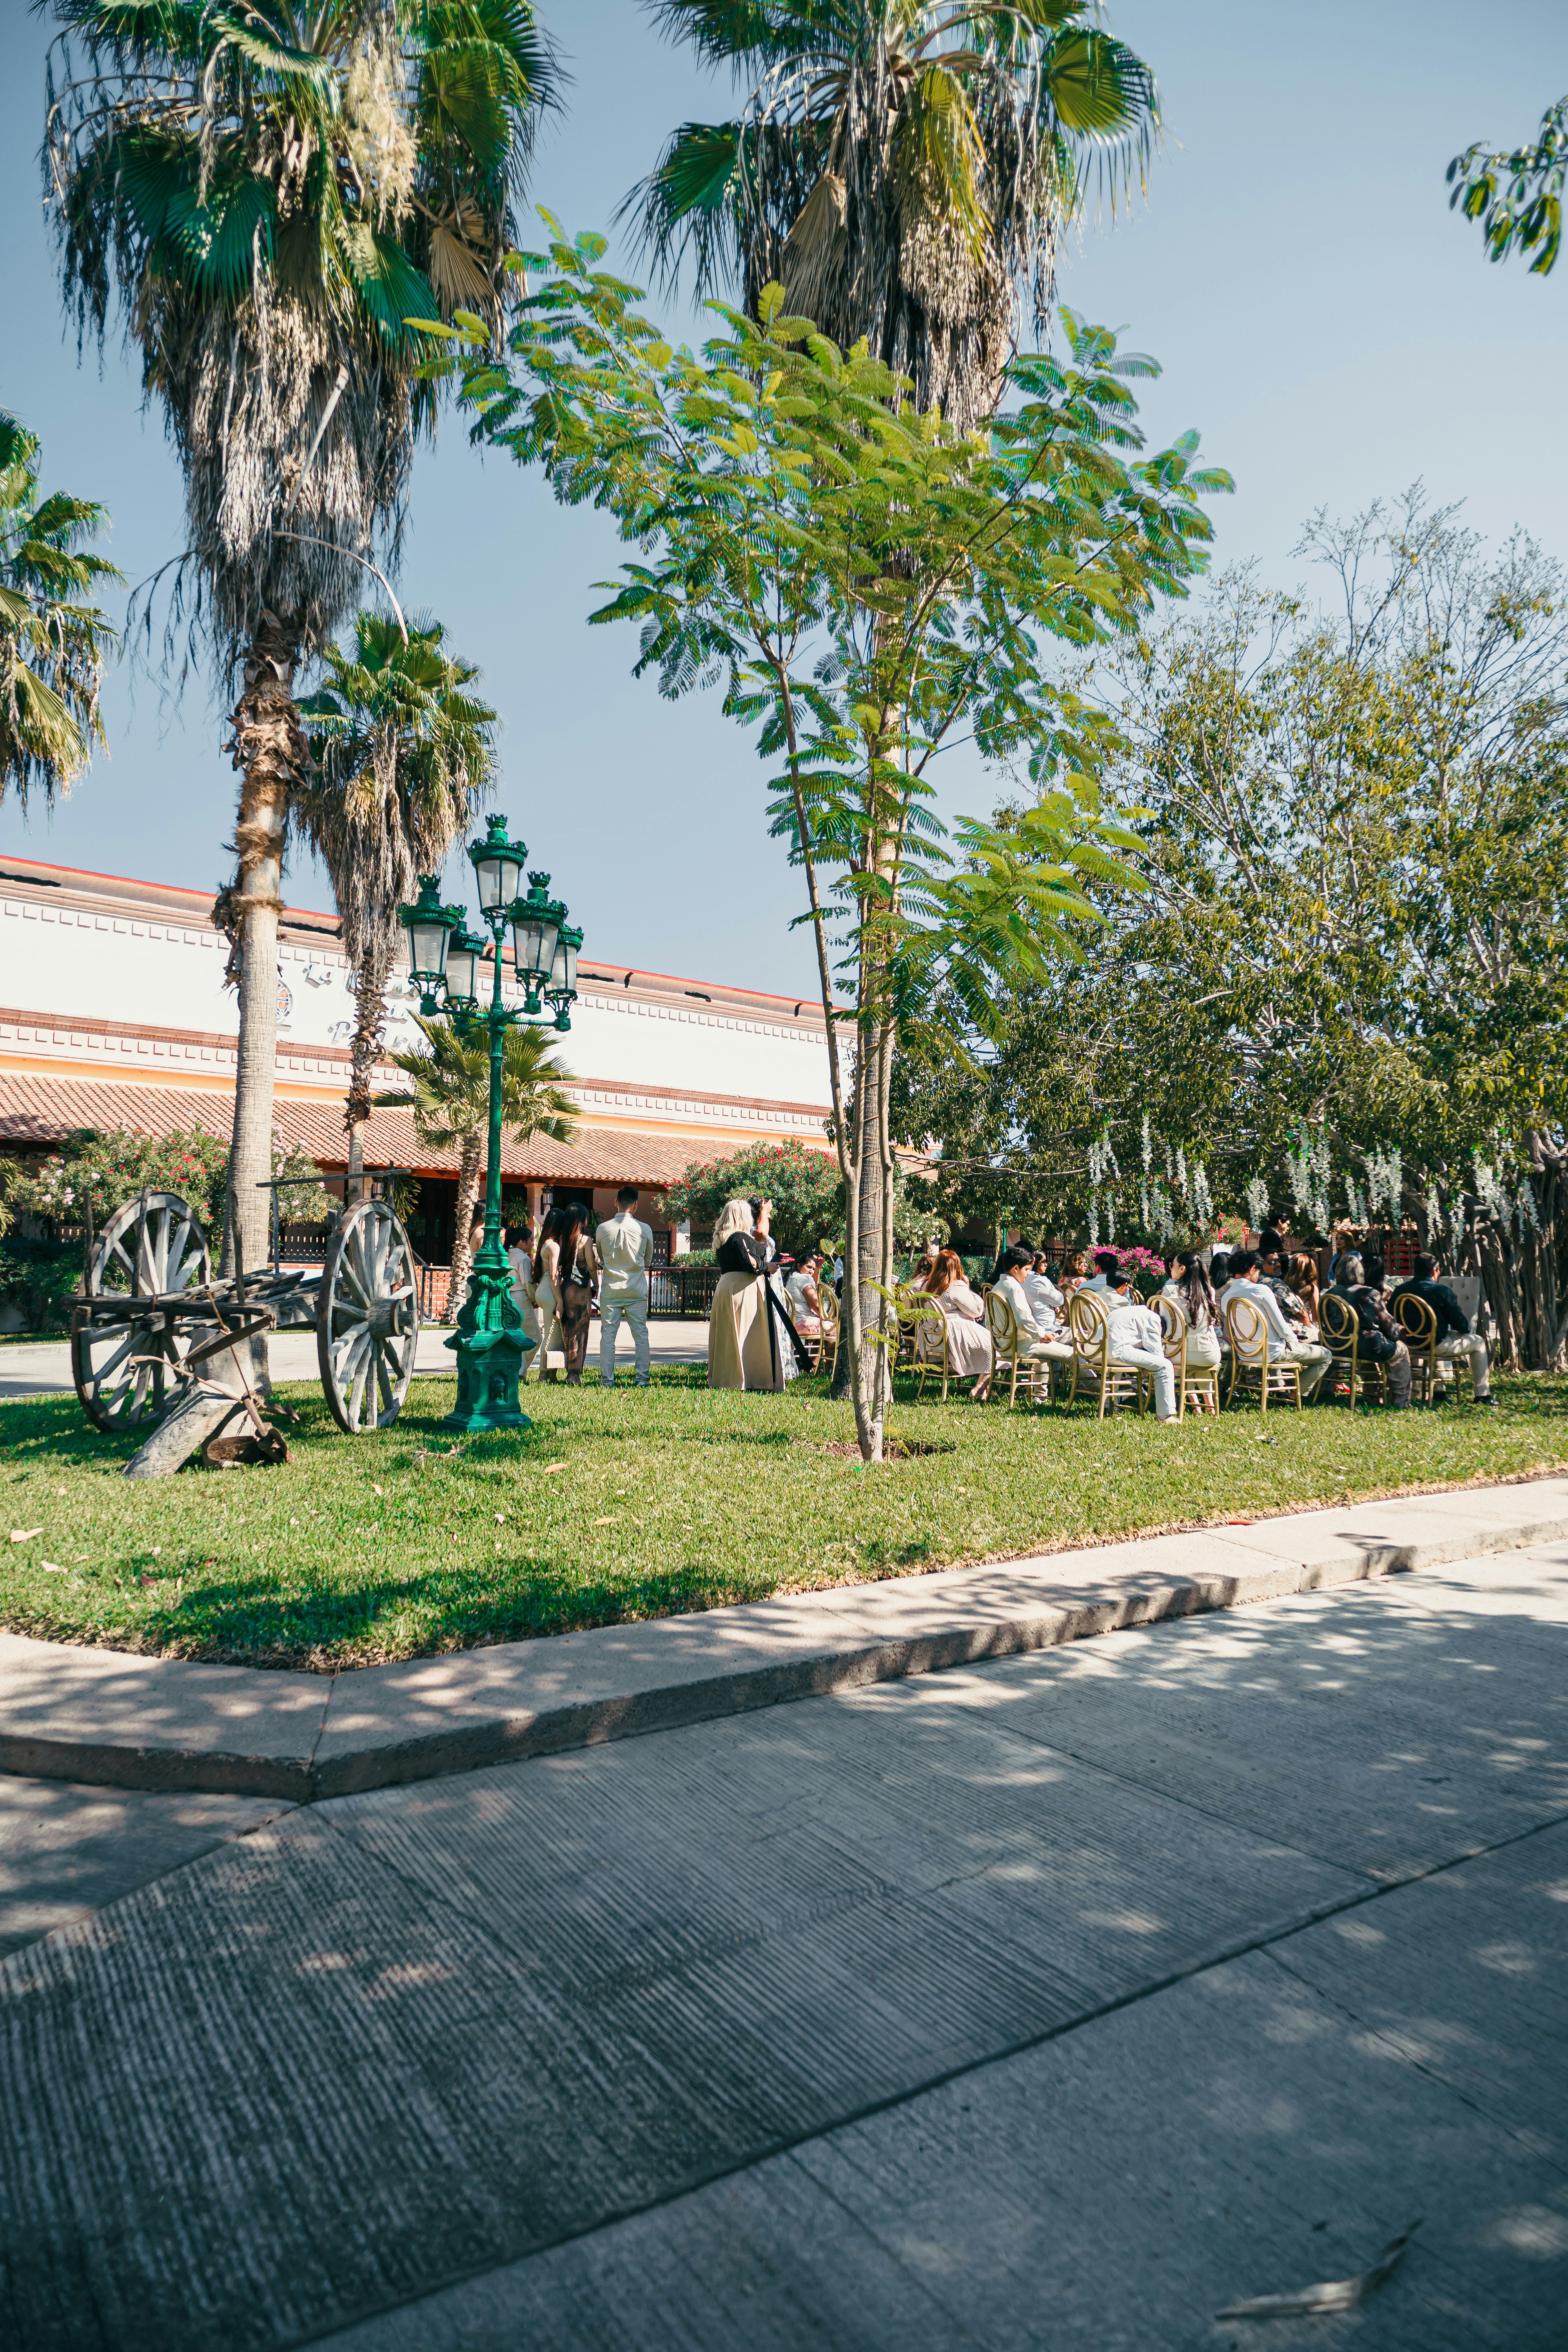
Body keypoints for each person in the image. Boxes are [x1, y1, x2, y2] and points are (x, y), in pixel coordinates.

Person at [709, 1196, 806, 1389]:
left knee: (730, 1334)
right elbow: (750, 1264)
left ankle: (727, 1377)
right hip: (743, 1288)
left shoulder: (722, 1239)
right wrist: (767, 1266)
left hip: (727, 1286)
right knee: (749, 1333)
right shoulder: (739, 1237)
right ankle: (752, 1377)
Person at [1219, 1249, 1334, 1401]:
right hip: (1272, 1351)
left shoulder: (1227, 1296)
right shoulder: (1261, 1290)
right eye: (1258, 1271)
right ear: (1253, 1269)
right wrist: (1293, 1339)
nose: (1258, 1276)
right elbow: (1280, 1325)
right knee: (1326, 1356)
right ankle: (1298, 1394)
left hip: (1244, 1352)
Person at [1389, 1251, 1494, 1403]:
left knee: (1438, 1336)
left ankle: (1439, 1392)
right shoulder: (1442, 1291)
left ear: (1414, 1270)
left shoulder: (1401, 1290)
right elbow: (1463, 1326)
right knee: (1478, 1342)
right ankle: (1483, 1395)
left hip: (1409, 1344)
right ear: (1434, 1270)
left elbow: (1392, 1317)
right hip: (1434, 1344)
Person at [989, 1242, 1074, 1397]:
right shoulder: (1014, 1288)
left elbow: (990, 1322)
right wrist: (1042, 1334)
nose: (1029, 1274)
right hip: (1021, 1345)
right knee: (1072, 1354)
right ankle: (1096, 1391)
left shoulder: (998, 1287)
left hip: (1003, 1344)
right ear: (1016, 1269)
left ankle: (1039, 1397)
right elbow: (1024, 1320)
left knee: (1043, 1353)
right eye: (1027, 1270)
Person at [596, 1185, 654, 1388]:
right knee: (641, 1335)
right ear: (636, 1204)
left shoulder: (602, 1228)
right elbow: (648, 1260)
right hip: (636, 1289)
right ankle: (642, 1380)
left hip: (611, 1289)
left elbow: (602, 1258)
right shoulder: (645, 1229)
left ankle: (607, 1381)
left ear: (616, 1203)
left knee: (608, 1335)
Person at [916, 1249, 997, 1393]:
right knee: (995, 1346)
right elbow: (977, 1310)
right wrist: (968, 1287)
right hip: (953, 1337)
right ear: (957, 1267)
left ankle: (985, 1389)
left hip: (932, 1338)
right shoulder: (955, 1286)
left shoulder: (927, 1286)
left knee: (988, 1346)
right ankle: (980, 1388)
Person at [1103, 1264, 1176, 1420]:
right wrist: (1149, 1365)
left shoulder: (1133, 1310)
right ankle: (1166, 1415)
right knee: (1165, 1366)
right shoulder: (1153, 1318)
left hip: (1097, 1351)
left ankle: (1110, 1405)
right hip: (1117, 1351)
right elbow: (1156, 1351)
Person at [1160, 1251, 1223, 1408]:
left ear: (1182, 1268)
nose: (1171, 1268)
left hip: (1180, 1354)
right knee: (1195, 1359)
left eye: (1173, 1265)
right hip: (1211, 1353)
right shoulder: (1209, 1291)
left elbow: (1167, 1328)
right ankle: (1209, 1405)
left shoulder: (1170, 1292)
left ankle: (1196, 1406)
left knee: (1182, 1354)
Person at [552, 1205, 597, 1386]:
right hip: (580, 1291)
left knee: (568, 1330)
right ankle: (574, 1373)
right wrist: (596, 1283)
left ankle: (565, 1368)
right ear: (582, 1220)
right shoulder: (585, 1240)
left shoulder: (562, 1239)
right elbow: (592, 1266)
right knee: (580, 1332)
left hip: (566, 1286)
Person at [506, 1223, 541, 1368]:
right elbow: (528, 1283)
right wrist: (535, 1299)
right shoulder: (524, 1259)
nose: (533, 1243)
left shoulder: (506, 1255)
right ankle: (518, 1369)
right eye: (531, 1240)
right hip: (522, 1299)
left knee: (515, 1336)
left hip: (508, 1299)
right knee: (535, 1338)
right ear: (522, 1242)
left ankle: (515, 1367)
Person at [786, 1251, 824, 1339]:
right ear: (799, 1266)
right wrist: (827, 1317)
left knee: (821, 1334)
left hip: (791, 1322)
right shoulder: (802, 1278)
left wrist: (817, 1268)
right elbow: (815, 1304)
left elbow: (814, 1285)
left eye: (813, 1269)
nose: (811, 1272)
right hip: (802, 1322)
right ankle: (828, 1353)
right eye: (809, 1267)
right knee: (835, 1328)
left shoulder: (791, 1277)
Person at [1286, 1252, 1322, 1338]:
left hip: (1289, 1325)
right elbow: (1316, 1318)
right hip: (1305, 1327)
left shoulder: (1285, 1286)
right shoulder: (1312, 1288)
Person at [1025, 1252, 1065, 1327]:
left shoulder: (1021, 1279)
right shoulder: (1039, 1281)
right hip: (1046, 1326)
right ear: (1034, 1262)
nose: (1046, 1264)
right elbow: (1059, 1301)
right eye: (1043, 1262)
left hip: (1030, 1325)